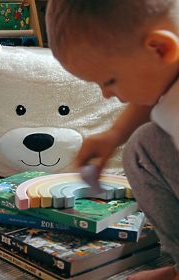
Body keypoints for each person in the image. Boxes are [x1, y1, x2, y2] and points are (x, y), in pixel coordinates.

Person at [46, 1, 179, 280]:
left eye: (109, 80)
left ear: (160, 48)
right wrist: (113, 135)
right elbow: (157, 83)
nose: (106, 95)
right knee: (144, 146)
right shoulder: (167, 58)